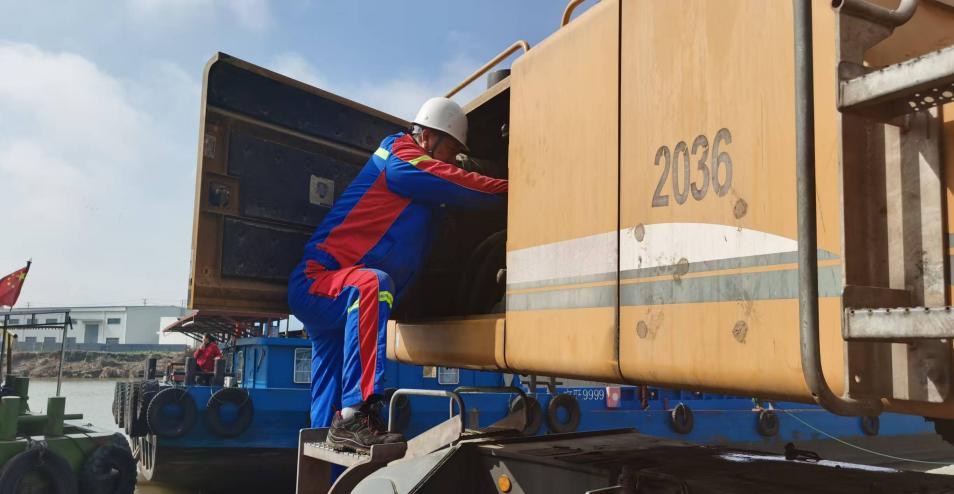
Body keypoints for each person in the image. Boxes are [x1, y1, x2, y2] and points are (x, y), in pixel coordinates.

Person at [287, 97, 507, 451]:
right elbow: (453, 180)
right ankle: (355, 416)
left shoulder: (421, 192)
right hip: (318, 280)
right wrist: (512, 189)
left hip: (334, 296)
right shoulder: (399, 154)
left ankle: (330, 452)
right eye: (451, 150)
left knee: (327, 401)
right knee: (371, 285)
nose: (453, 160)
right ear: (428, 136)